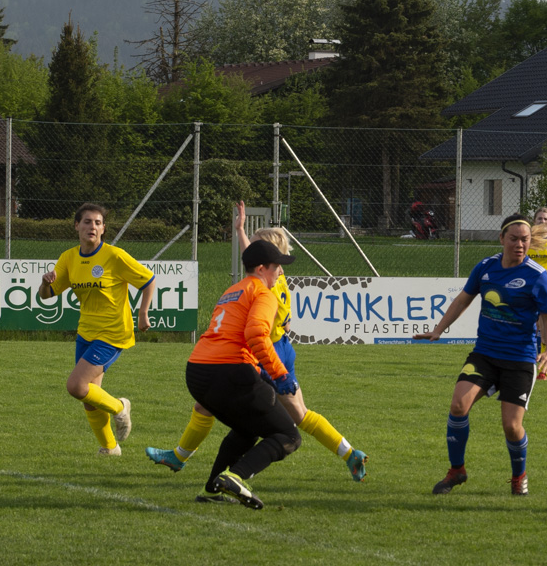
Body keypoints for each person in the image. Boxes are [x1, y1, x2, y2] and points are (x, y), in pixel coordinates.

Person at [146, 202, 367, 487]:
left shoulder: (268, 284)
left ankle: (193, 462)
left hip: (268, 351)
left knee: (283, 419)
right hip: (280, 346)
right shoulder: (274, 277)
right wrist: (239, 230)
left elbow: (258, 316)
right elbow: (255, 265)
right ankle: (349, 453)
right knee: (222, 408)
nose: (251, 247)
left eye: (257, 243)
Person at [414, 214, 547, 496]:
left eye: (525, 240)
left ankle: (519, 476)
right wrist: (439, 329)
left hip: (519, 359)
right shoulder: (486, 267)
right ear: (502, 238)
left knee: (512, 426)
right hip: (485, 354)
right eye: (514, 239)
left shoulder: (536, 275)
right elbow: (463, 300)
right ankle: (457, 471)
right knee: (458, 405)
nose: (520, 245)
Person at [182, 238, 303, 510]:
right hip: (228, 370)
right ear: (261, 269)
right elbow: (256, 334)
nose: (280, 272)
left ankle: (212, 489)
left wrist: (259, 371)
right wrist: (279, 375)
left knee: (247, 430)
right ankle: (235, 477)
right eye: (276, 266)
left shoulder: (233, 290)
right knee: (289, 436)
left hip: (197, 370)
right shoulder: (263, 293)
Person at [38, 202, 155, 457]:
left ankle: (120, 407)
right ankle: (110, 448)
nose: (93, 226)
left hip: (113, 332)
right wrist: (45, 283)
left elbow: (149, 281)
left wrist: (142, 313)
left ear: (103, 229)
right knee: (90, 398)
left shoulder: (114, 256)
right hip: (86, 332)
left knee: (76, 386)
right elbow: (46, 295)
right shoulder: (69, 258)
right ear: (76, 226)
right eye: (87, 221)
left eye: (98, 223)